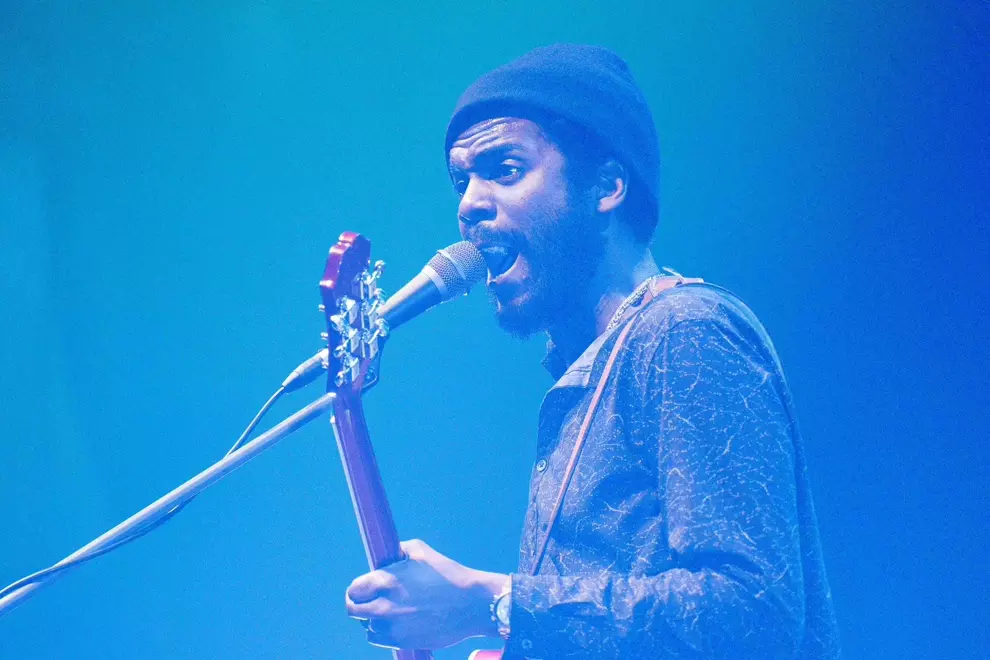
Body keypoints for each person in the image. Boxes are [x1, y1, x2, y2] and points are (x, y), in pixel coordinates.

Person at [345, 44, 840, 659]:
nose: (468, 203)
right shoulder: (591, 370)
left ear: (606, 185)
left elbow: (752, 614)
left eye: (504, 168)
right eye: (462, 179)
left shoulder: (683, 331)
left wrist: (490, 604)